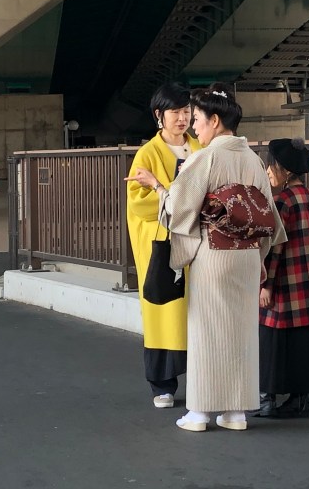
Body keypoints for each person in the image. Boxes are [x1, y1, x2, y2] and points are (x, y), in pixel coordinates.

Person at [125, 83, 286, 432]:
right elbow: (268, 219)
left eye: (196, 118)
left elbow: (179, 208)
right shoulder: (253, 160)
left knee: (206, 333)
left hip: (214, 254)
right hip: (245, 258)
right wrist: (257, 256)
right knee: (241, 334)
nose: (193, 124)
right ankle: (236, 412)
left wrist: (157, 187)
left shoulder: (206, 156)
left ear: (214, 120)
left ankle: (199, 411)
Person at [126, 82, 201, 409]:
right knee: (163, 311)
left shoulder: (199, 147)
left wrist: (166, 191)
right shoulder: (148, 153)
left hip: (197, 244)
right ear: (159, 115)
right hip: (163, 245)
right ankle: (162, 385)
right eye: (176, 112)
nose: (182, 118)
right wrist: (173, 192)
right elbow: (137, 204)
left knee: (197, 314)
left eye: (187, 111)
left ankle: (200, 380)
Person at [256, 137, 309, 418]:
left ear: (286, 171)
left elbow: (275, 250)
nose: (268, 170)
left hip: (286, 285)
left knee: (270, 340)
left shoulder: (281, 202)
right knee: (305, 342)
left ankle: (266, 400)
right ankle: (301, 400)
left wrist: (266, 284)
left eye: (271, 166)